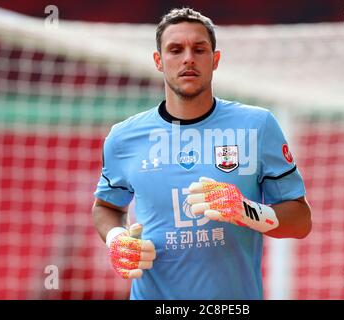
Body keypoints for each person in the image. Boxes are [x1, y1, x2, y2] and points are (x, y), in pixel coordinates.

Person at [92, 7, 312, 300]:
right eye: (175, 50)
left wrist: (248, 211)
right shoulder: (123, 137)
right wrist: (117, 240)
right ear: (158, 61)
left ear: (215, 59)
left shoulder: (257, 125)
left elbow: (301, 221)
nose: (188, 58)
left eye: (199, 49)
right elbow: (106, 207)